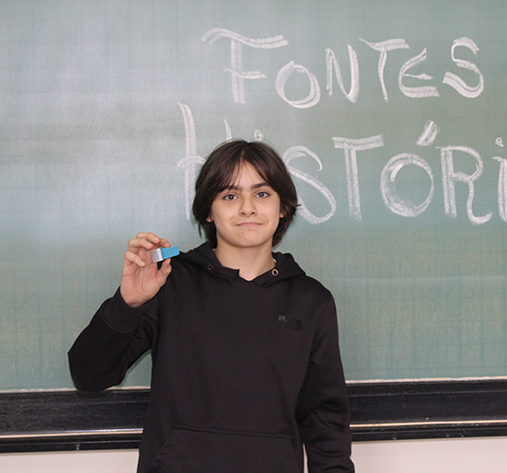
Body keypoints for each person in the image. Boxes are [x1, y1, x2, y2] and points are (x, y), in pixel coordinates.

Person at [68, 140, 355, 473]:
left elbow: (325, 420)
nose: (247, 208)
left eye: (262, 194)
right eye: (230, 196)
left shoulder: (311, 301)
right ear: (208, 210)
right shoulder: (169, 282)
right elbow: (89, 376)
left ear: (283, 208)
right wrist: (127, 304)